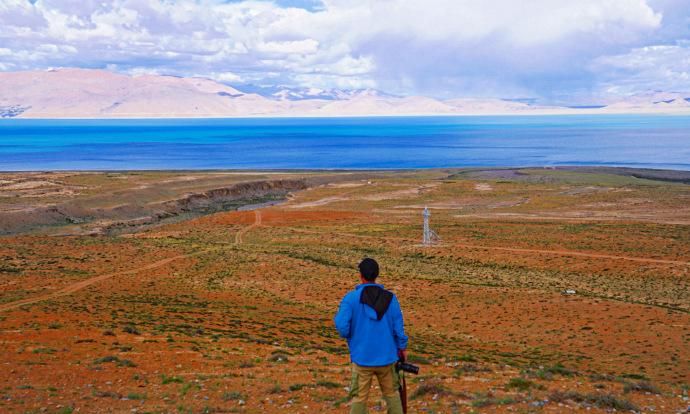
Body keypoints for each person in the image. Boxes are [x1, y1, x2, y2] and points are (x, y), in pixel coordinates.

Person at [334, 258, 408, 414]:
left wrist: (351, 336)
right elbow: (399, 328)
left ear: (361, 276)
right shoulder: (391, 298)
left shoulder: (351, 299)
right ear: (376, 275)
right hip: (387, 358)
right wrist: (402, 348)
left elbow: (342, 326)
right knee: (392, 394)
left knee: (359, 398)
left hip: (362, 358)